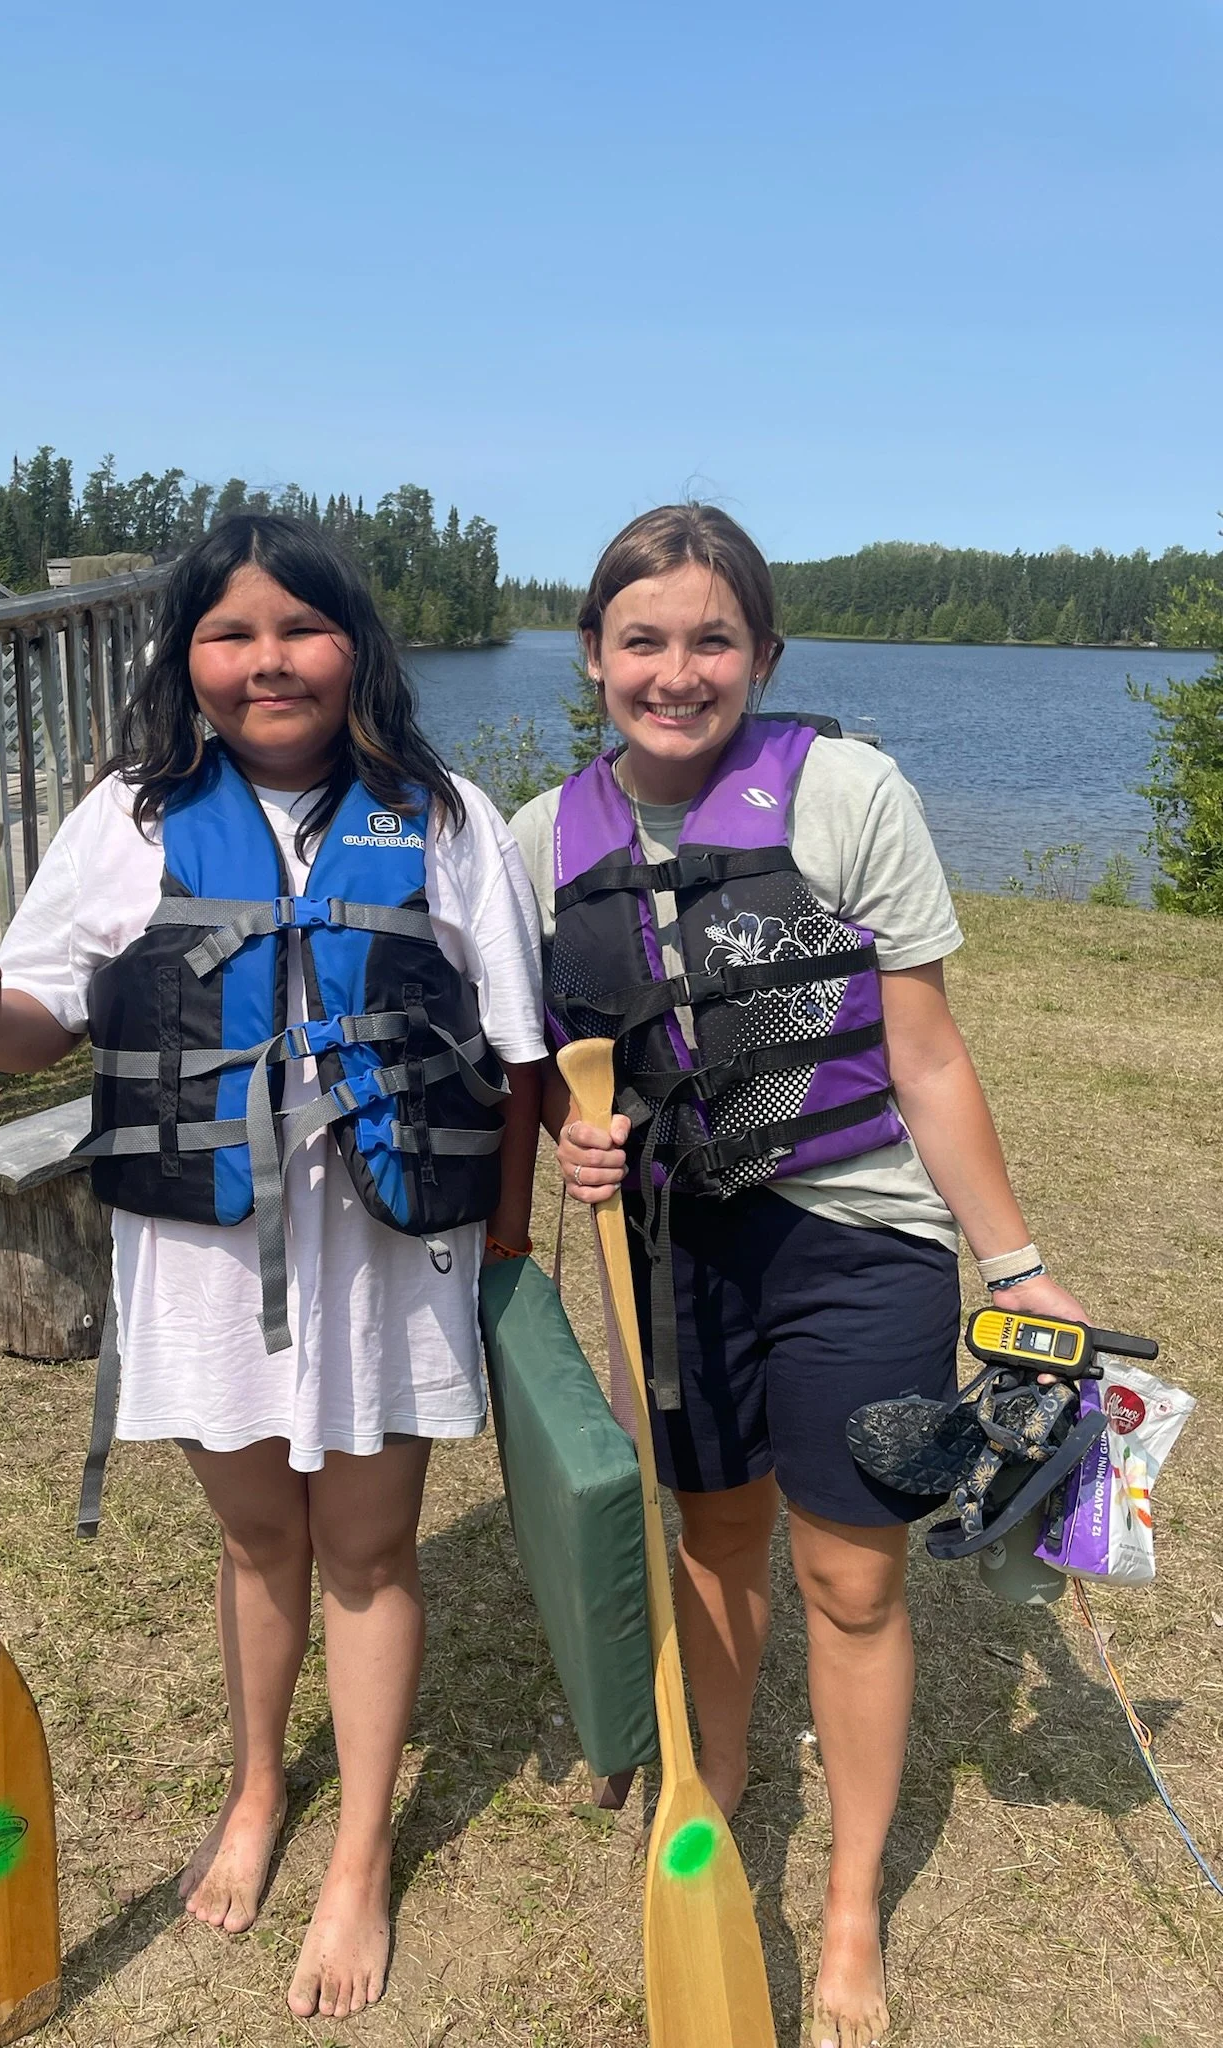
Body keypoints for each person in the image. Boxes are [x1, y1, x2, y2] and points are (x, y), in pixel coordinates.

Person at [0, 514, 546, 2023]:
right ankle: (259, 1789)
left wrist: (515, 1245)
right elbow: (42, 1012)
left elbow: (518, 1049)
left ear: (356, 646)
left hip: (388, 1248)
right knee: (261, 1540)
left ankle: (361, 1853)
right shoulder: (127, 816)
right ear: (187, 660)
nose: (269, 661)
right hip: (202, 1245)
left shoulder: (444, 816)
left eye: (301, 629)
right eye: (231, 634)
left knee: (370, 1551)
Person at [509, 503, 1086, 2048]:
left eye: (713, 640)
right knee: (711, 1539)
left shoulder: (847, 792)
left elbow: (927, 1048)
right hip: (674, 1249)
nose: (677, 672)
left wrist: (1018, 1265)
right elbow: (559, 1078)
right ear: (593, 655)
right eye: (644, 640)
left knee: (852, 1569)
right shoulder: (539, 838)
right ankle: (720, 1771)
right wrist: (579, 1145)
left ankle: (845, 1912)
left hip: (857, 1236)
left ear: (762, 654)